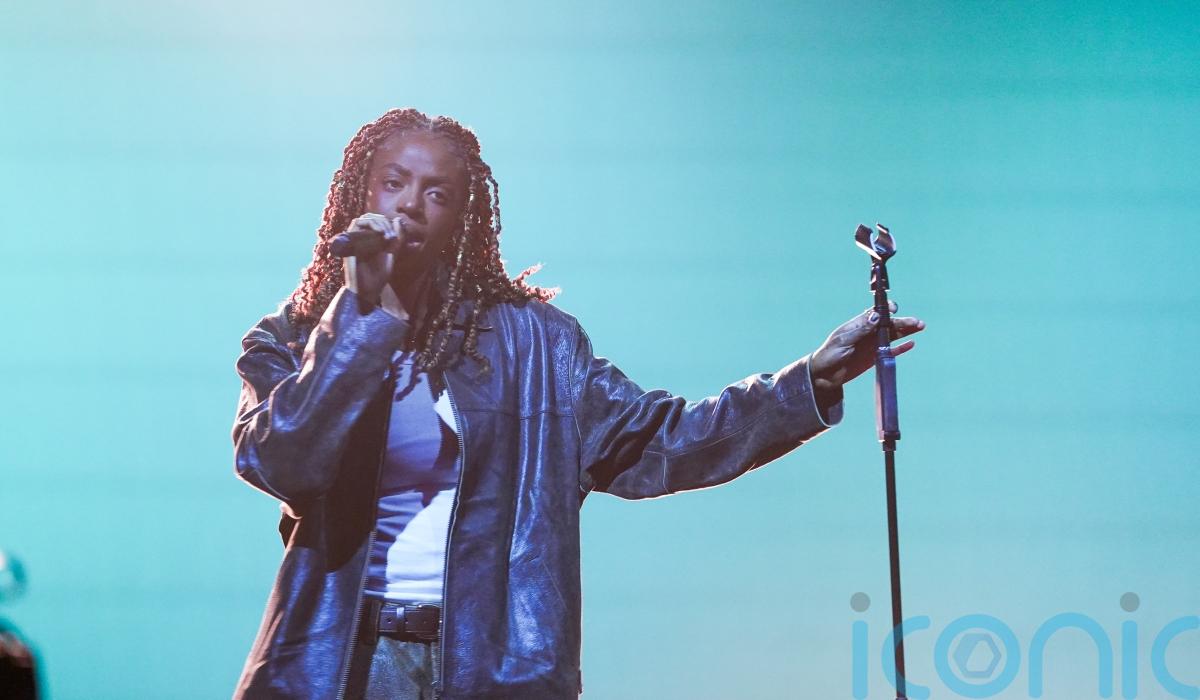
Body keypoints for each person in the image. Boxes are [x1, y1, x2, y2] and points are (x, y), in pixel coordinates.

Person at [230, 107, 924, 700]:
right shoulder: (290, 339)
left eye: (436, 192)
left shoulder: (538, 345)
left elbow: (664, 440)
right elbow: (285, 463)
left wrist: (810, 379)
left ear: (461, 218)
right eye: (394, 182)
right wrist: (360, 318)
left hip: (491, 668)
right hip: (339, 667)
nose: (410, 204)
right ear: (361, 190)